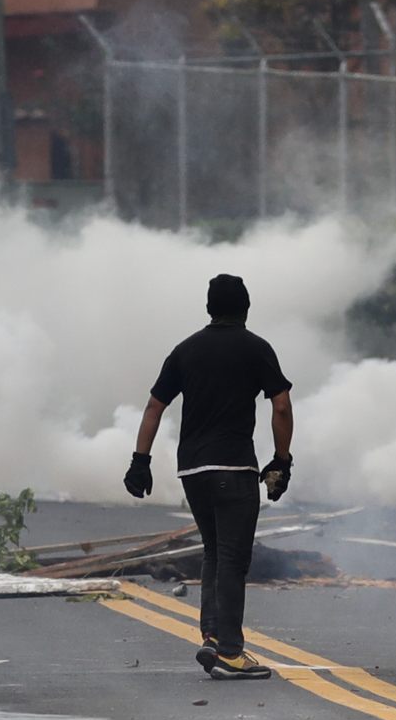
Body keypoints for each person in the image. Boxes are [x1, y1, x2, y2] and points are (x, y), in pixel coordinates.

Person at [124, 274, 294, 681]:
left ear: (208, 309)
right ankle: (232, 653)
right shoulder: (256, 348)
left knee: (214, 552)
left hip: (193, 471)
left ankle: (213, 638)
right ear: (246, 309)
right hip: (234, 469)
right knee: (233, 559)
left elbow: (153, 406)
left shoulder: (185, 350)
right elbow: (282, 406)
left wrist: (139, 461)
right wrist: (281, 462)